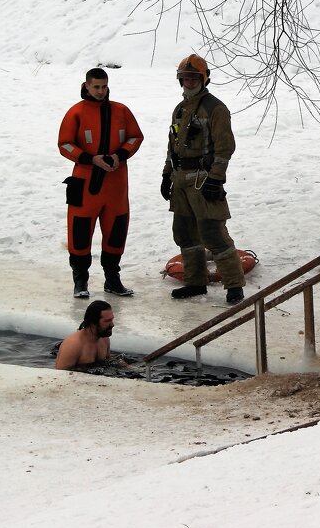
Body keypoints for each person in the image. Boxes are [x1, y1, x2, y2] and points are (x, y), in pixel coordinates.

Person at [162, 54, 247, 304]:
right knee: (185, 233)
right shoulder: (180, 110)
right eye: (185, 78)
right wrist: (167, 175)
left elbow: (225, 147)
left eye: (193, 78)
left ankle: (234, 285)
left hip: (202, 179)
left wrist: (215, 179)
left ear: (204, 79)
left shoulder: (215, 108)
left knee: (213, 232)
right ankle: (195, 281)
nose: (189, 82)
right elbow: (172, 146)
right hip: (181, 180)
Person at [58, 68, 144, 299]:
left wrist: (120, 155)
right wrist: (90, 159)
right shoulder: (76, 113)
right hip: (85, 184)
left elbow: (136, 137)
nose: (100, 91)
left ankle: (112, 280)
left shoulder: (121, 111)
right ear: (86, 86)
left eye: (103, 86)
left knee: (116, 232)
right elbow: (64, 144)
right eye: (96, 87)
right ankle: (80, 280)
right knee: (80, 233)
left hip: (115, 185)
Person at [55, 300, 114, 369]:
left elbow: (109, 363)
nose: (112, 325)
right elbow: (60, 375)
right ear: (93, 323)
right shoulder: (73, 344)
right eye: (107, 321)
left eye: (112, 320)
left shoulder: (104, 339)